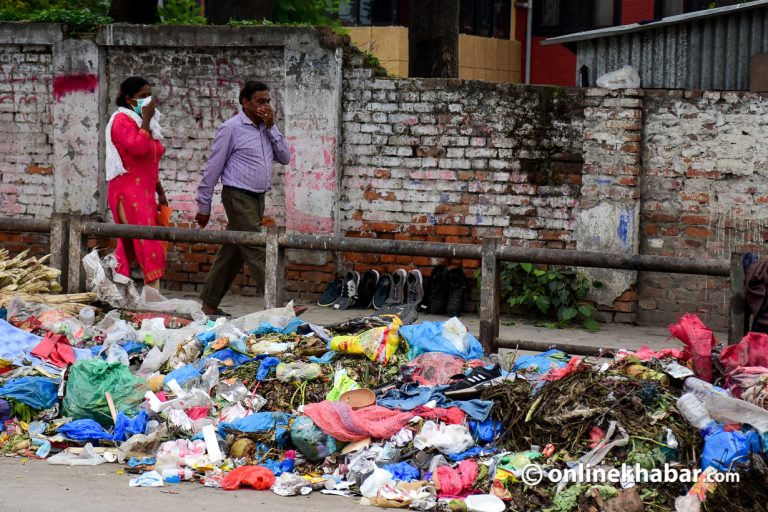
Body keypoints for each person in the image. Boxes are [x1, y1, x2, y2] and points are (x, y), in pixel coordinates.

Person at [196, 81, 290, 316]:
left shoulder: (267, 129)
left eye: (268, 101)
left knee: (234, 251)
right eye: (260, 101)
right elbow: (213, 167)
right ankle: (280, 306)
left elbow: (285, 157)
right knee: (258, 248)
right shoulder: (231, 128)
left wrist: (272, 128)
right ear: (245, 103)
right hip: (237, 195)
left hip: (258, 198)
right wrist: (204, 204)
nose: (265, 106)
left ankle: (209, 303)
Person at [105, 76, 167, 289]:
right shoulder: (122, 120)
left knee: (132, 244)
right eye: (142, 97)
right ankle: (152, 296)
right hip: (127, 191)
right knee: (145, 240)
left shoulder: (145, 124)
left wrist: (160, 191)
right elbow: (138, 148)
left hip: (146, 192)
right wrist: (147, 121)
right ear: (129, 99)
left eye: (150, 95)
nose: (148, 101)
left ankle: (118, 292)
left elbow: (150, 160)